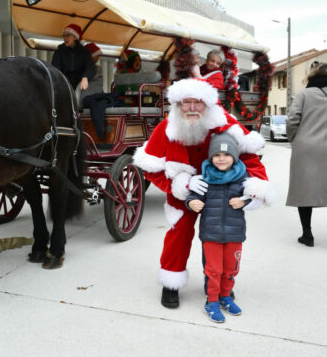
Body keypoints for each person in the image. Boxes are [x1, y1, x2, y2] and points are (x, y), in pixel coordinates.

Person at [133, 78, 273, 308]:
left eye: (197, 102)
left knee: (221, 237)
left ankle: (219, 285)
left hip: (223, 191)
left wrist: (255, 190)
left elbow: (249, 158)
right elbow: (150, 168)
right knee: (179, 234)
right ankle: (171, 282)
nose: (191, 108)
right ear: (177, 105)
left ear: (207, 104)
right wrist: (180, 185)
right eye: (185, 102)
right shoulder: (166, 128)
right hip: (184, 192)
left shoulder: (226, 123)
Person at [186, 133, 262, 322]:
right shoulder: (205, 177)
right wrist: (192, 202)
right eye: (217, 154)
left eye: (226, 155)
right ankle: (211, 301)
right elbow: (192, 196)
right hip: (211, 233)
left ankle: (225, 297)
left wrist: (243, 201)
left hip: (234, 233)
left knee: (231, 269)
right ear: (211, 157)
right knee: (213, 270)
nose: (221, 158)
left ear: (234, 157)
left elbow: (254, 196)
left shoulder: (243, 177)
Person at [286, 61, 327, 247]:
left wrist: (294, 139)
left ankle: (307, 235)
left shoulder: (304, 94)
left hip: (306, 149)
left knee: (304, 190)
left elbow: (293, 119)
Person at [51, 23, 96, 91]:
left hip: (80, 83)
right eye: (64, 35)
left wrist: (85, 77)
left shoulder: (85, 52)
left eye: (68, 35)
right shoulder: (59, 52)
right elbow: (55, 69)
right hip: (63, 83)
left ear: (75, 37)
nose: (65, 38)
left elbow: (90, 67)